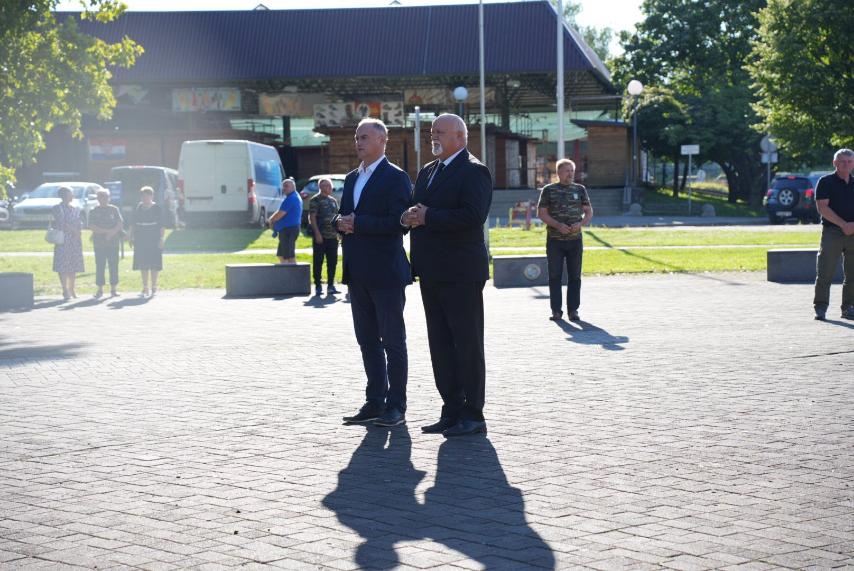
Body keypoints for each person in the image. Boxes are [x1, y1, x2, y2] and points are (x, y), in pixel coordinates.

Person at [402, 113, 493, 438]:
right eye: (432, 131)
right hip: (430, 271)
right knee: (440, 345)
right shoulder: (428, 171)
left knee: (467, 343)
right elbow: (418, 208)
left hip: (461, 272)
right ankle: (451, 409)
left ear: (460, 137)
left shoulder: (474, 170)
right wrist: (409, 216)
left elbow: (473, 216)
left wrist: (429, 216)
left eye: (440, 131)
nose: (434, 136)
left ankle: (473, 414)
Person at [337, 118, 413, 428]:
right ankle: (374, 401)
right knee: (367, 340)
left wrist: (359, 224)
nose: (359, 142)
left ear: (382, 141)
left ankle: (396, 406)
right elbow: (343, 215)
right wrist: (339, 223)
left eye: (365, 137)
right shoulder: (351, 178)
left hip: (386, 273)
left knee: (392, 341)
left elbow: (400, 223)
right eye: (357, 137)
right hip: (357, 272)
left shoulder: (396, 177)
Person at [536, 158, 593, 322]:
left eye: (572, 171)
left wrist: (580, 224)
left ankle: (573, 310)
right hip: (555, 240)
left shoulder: (580, 189)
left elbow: (588, 211)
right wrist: (558, 225)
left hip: (575, 240)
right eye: (567, 171)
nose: (570, 174)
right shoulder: (549, 190)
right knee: (555, 276)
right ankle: (556, 311)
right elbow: (542, 213)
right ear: (558, 173)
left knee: (575, 276)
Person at [814, 148, 854, 321]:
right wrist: (843, 224)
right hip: (833, 231)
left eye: (849, 161)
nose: (846, 164)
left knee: (853, 274)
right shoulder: (825, 182)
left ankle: (849, 307)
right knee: (825, 271)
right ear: (835, 163)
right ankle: (820, 307)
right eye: (842, 161)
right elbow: (822, 207)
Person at [129, 186, 164, 297]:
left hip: (154, 238)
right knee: (143, 264)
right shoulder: (137, 208)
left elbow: (161, 226)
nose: (145, 198)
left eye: (147, 196)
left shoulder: (157, 208)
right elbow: (133, 224)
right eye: (143, 196)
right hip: (140, 238)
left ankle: (154, 287)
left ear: (152, 196)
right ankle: (145, 287)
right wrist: (131, 237)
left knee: (154, 264)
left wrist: (161, 239)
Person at [88, 188, 123, 298]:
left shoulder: (114, 209)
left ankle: (113, 289)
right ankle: (100, 289)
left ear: (109, 198)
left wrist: (111, 233)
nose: (104, 199)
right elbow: (91, 226)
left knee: (114, 266)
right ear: (98, 198)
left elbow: (120, 223)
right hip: (99, 244)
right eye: (101, 197)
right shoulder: (93, 211)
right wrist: (106, 232)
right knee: (100, 266)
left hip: (113, 243)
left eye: (106, 197)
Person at [51, 186, 84, 300]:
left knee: (73, 265)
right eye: (71, 193)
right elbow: (61, 223)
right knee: (63, 265)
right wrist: (74, 231)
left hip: (75, 240)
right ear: (65, 195)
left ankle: (72, 288)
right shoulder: (57, 208)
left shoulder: (75, 208)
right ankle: (65, 289)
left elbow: (79, 221)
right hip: (64, 240)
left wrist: (79, 231)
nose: (73, 195)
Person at [309, 178, 340, 296]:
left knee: (332, 262)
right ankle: (318, 285)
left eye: (330, 185)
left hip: (332, 236)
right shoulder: (315, 200)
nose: (329, 187)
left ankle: (331, 285)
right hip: (321, 236)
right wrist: (317, 234)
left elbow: (337, 217)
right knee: (318, 261)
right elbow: (312, 218)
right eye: (326, 185)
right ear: (320, 187)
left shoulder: (333, 200)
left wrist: (339, 233)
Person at [267, 178, 302, 264]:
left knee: (289, 256)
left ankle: (293, 272)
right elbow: (280, 211)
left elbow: (280, 214)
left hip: (289, 230)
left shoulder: (292, 198)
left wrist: (271, 220)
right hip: (287, 230)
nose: (284, 188)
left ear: (293, 187)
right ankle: (284, 271)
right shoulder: (292, 197)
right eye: (283, 186)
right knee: (281, 255)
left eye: (286, 186)